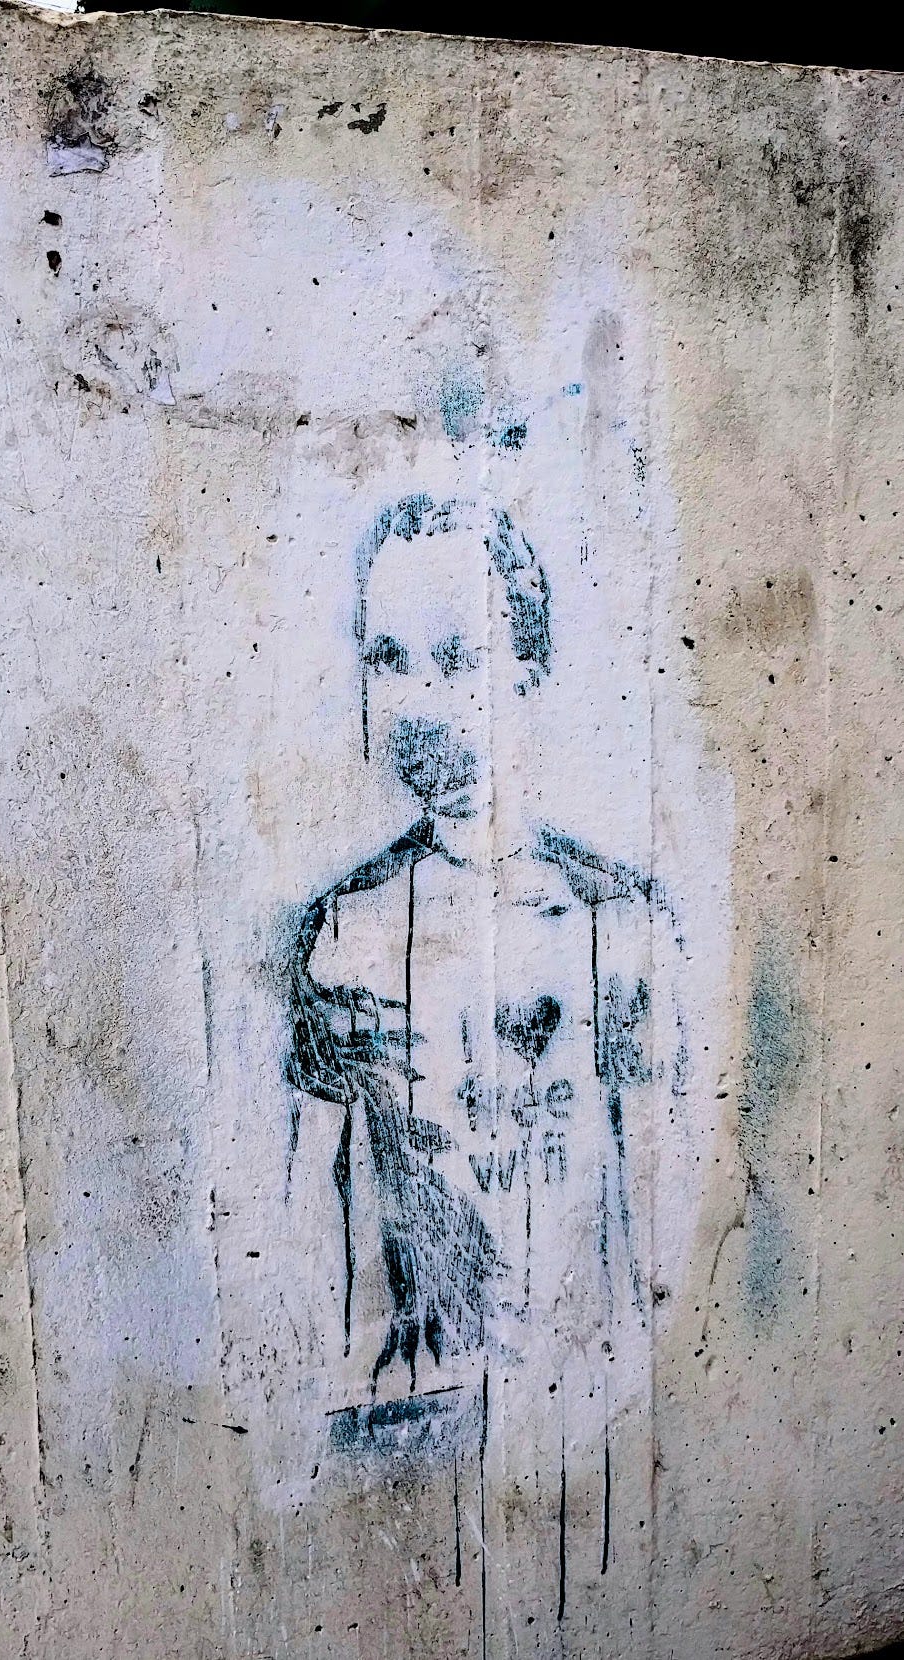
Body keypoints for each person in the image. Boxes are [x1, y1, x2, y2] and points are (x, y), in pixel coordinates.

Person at [286, 490, 678, 1406]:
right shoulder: (345, 935)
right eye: (390, 660)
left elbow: (654, 1202)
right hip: (410, 1407)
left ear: (528, 673)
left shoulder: (613, 928)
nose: (420, 703)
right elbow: (314, 1224)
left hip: (595, 1403)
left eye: (459, 660)